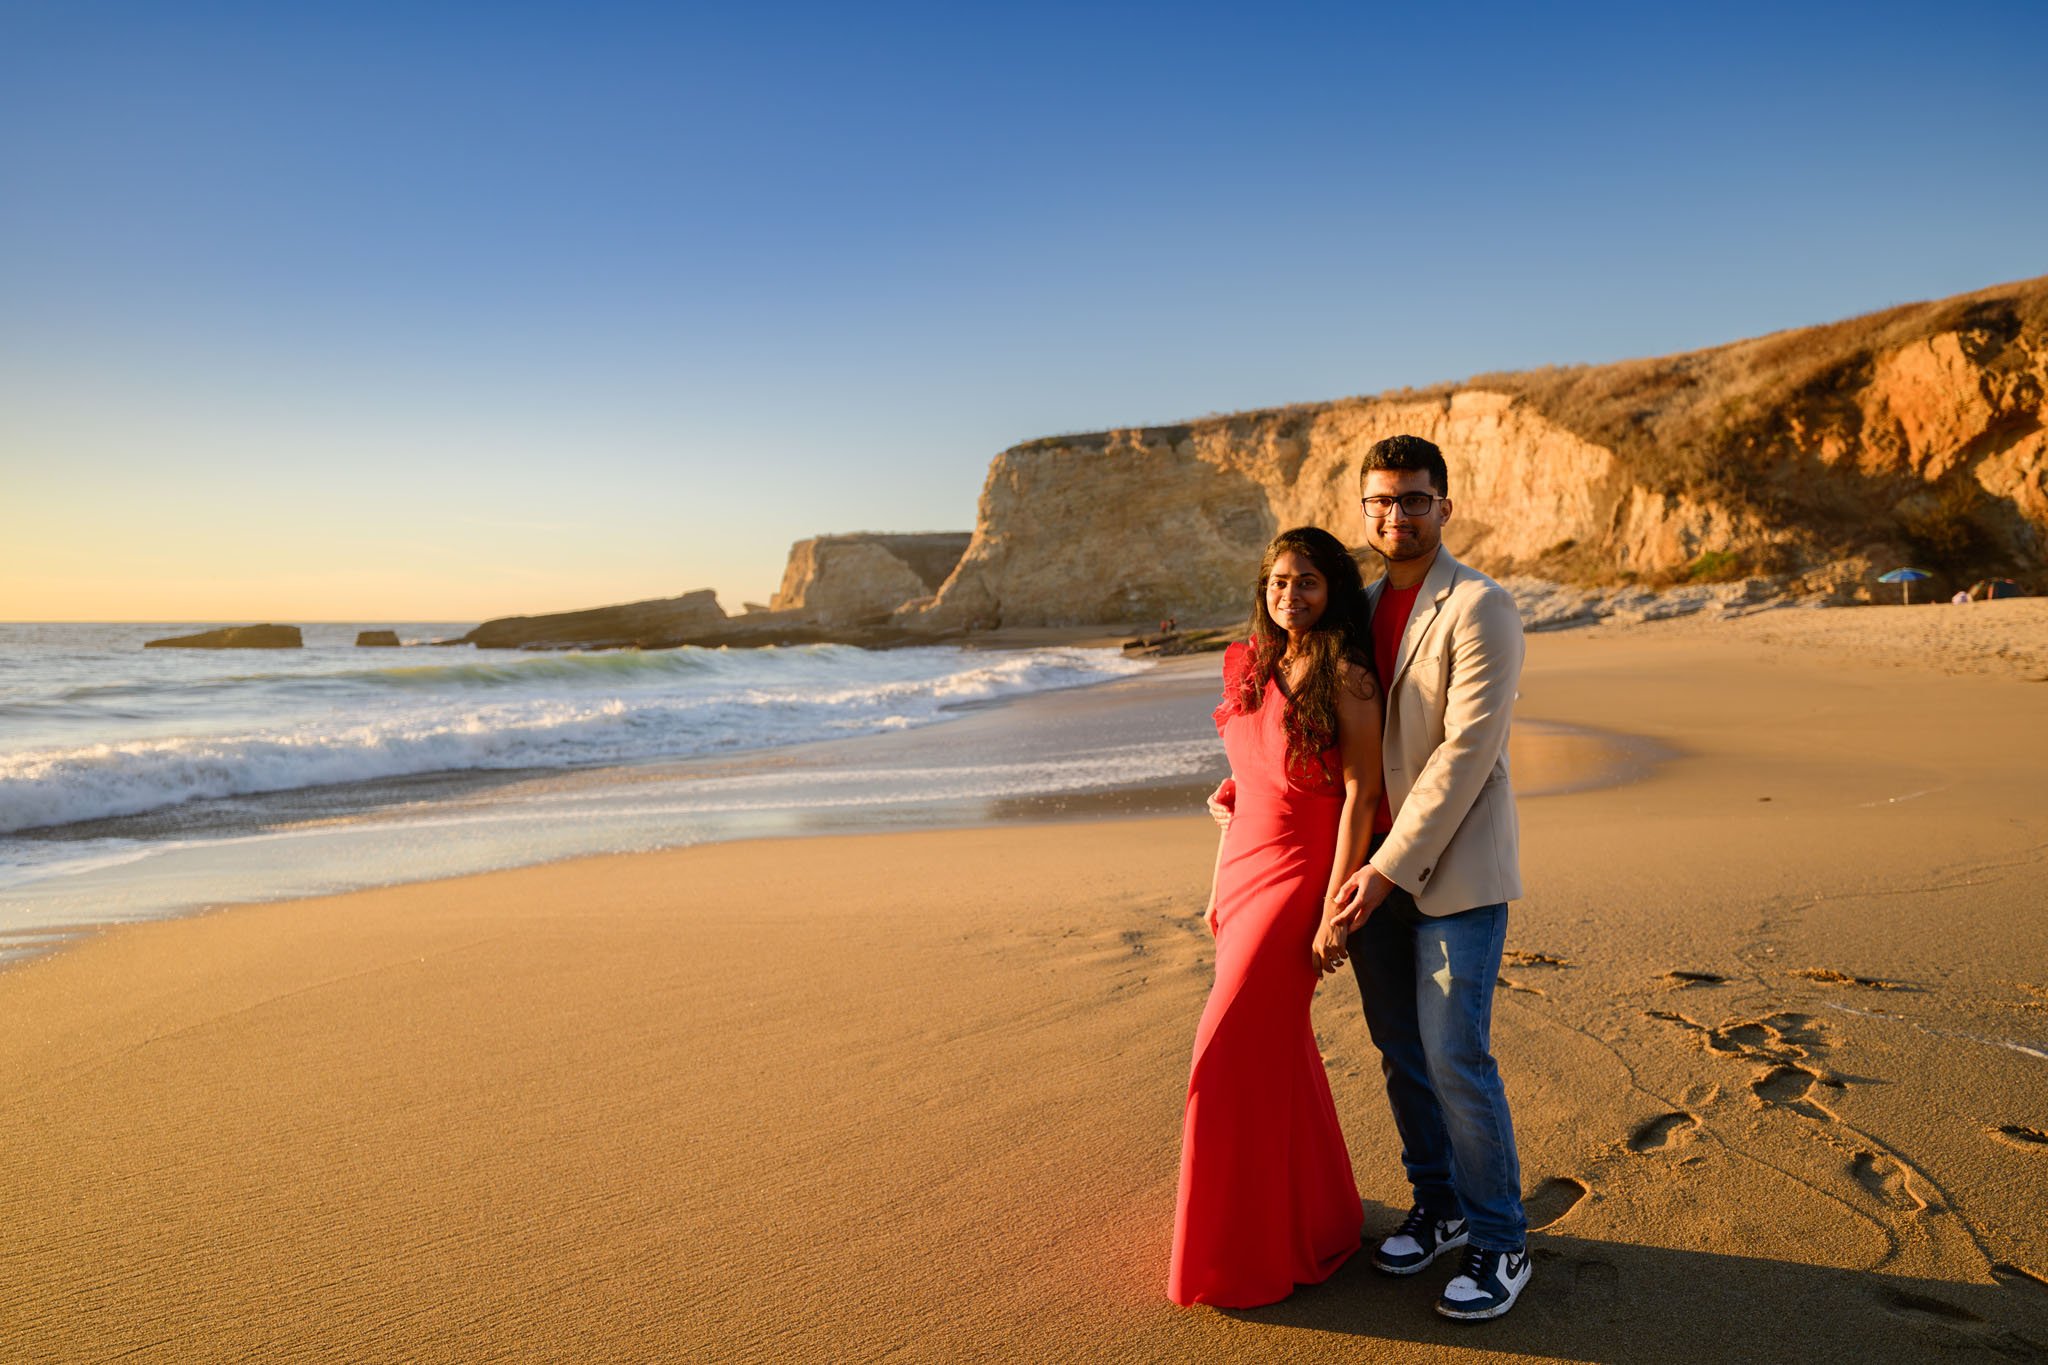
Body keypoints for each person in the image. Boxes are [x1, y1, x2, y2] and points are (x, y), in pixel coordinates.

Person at [1329, 433, 1532, 1322]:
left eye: (1413, 499)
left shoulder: (1480, 606)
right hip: (1370, 874)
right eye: (1380, 501)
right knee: (1401, 1054)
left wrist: (1384, 868)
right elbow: (1329, 730)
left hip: (1451, 872)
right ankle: (1439, 1203)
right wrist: (1248, 784)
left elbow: (1463, 753)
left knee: (1456, 1055)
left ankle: (1500, 1241)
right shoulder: (1360, 607)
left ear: (1444, 506)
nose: (1395, 515)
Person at [1167, 526, 1384, 1308]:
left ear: (1335, 590)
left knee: (1221, 1056)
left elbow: (1360, 792)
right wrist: (1220, 859)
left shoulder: (1350, 677)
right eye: (1279, 582)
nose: (1291, 595)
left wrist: (1335, 908)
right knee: (1278, 1055)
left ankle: (1238, 1250)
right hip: (1243, 865)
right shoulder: (1252, 665)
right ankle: (1320, 1218)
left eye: (1308, 582)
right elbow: (1247, 771)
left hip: (1299, 876)